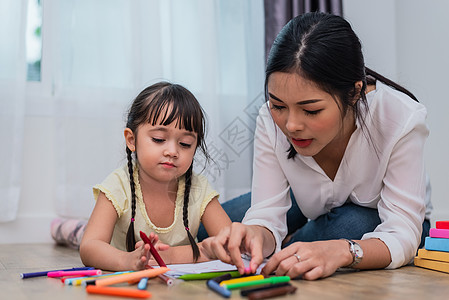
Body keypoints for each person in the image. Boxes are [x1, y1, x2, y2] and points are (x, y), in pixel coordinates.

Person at [201, 12, 432, 280]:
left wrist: (343, 251)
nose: (291, 125)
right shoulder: (270, 120)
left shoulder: (400, 118)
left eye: (310, 110)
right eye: (278, 106)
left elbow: (402, 232)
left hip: (376, 218)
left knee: (353, 225)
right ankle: (291, 247)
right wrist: (255, 234)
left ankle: (291, 248)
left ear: (354, 92)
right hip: (304, 201)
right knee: (216, 231)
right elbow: (265, 214)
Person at [80, 82, 231, 271]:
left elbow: (229, 244)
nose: (172, 151)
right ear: (132, 140)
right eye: (159, 139)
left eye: (185, 144)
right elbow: (89, 247)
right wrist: (127, 260)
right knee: (83, 235)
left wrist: (170, 256)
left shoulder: (198, 188)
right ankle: (73, 230)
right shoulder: (118, 185)